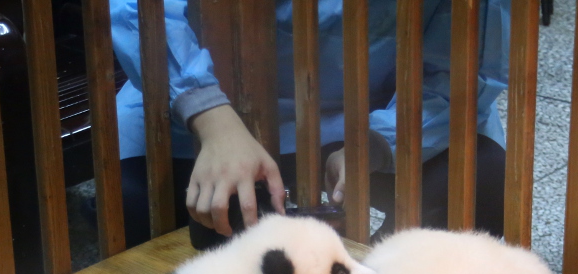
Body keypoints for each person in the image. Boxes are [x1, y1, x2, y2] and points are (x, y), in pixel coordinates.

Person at [103, 0, 509, 247]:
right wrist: (209, 116)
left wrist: (380, 141)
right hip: (209, 106)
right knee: (139, 206)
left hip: (376, 108)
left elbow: (464, 68)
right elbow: (139, 11)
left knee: (476, 181)